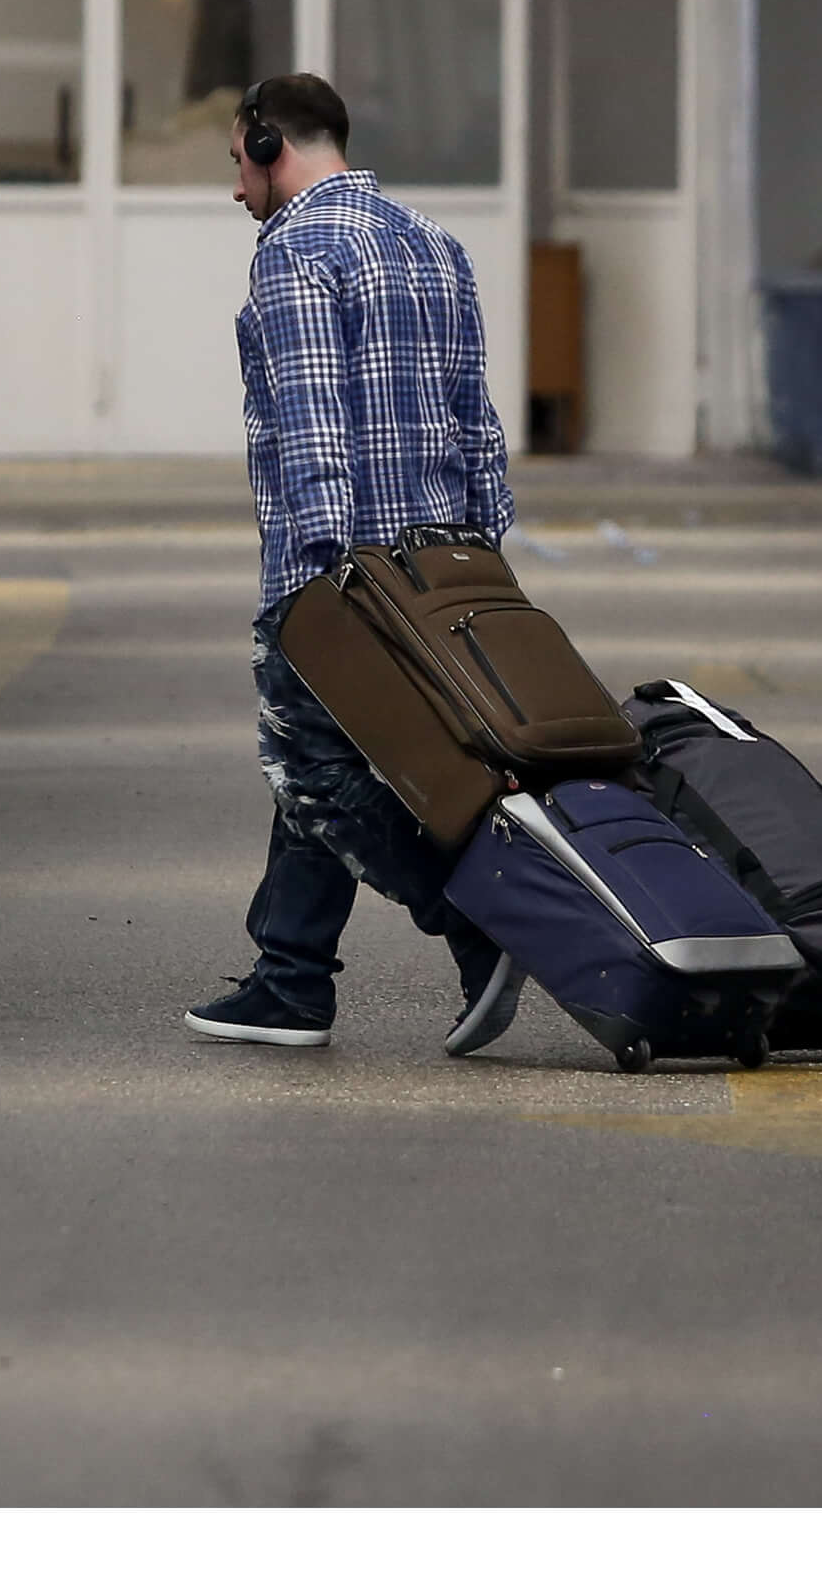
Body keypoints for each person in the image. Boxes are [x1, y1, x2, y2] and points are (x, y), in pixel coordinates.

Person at [186, 74, 527, 1058]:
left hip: (342, 576)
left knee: (316, 771)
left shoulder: (293, 254)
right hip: (443, 568)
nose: (235, 190)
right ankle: (290, 978)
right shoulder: (434, 244)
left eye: (235, 165)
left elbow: (311, 419)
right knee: (316, 764)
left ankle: (473, 921)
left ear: (264, 142)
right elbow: (478, 419)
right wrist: (484, 551)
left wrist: (317, 575)